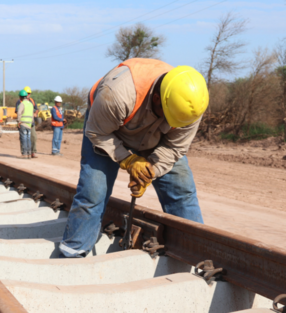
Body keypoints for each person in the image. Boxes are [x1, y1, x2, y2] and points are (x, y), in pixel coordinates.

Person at [59, 58, 209, 258]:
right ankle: (73, 253)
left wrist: (150, 171)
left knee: (182, 193)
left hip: (156, 138)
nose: (168, 121)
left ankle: (195, 256)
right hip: (108, 132)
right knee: (92, 193)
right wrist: (128, 160)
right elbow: (96, 132)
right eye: (166, 115)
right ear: (157, 98)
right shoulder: (118, 94)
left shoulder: (191, 106)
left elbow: (174, 147)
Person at [16, 90, 34, 159]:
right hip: (29, 125)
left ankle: (24, 154)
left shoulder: (22, 104)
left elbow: (19, 113)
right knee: (28, 139)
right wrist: (32, 123)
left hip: (23, 124)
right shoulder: (30, 104)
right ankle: (29, 154)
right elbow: (32, 115)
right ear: (26, 96)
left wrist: (18, 121)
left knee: (23, 139)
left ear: (20, 97)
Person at [24, 86, 39, 158]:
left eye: (29, 93)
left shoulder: (32, 101)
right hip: (24, 123)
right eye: (27, 93)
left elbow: (36, 109)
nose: (28, 95)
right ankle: (25, 153)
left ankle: (33, 152)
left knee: (33, 137)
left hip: (31, 123)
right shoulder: (21, 101)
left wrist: (35, 113)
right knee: (25, 138)